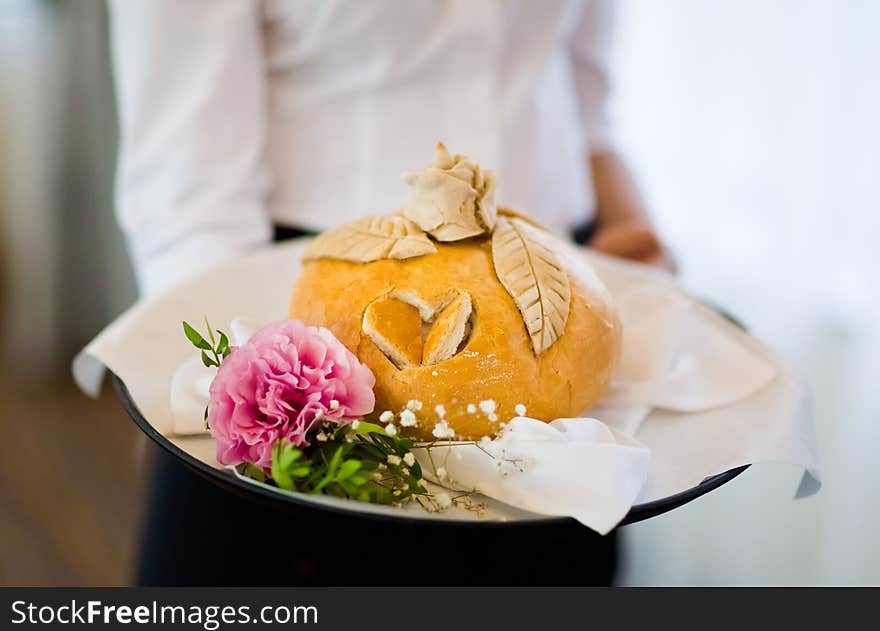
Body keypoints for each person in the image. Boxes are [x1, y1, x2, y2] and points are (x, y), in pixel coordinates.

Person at [109, 0, 669, 585]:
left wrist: (631, 231)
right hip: (307, 324)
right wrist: (231, 387)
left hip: (558, 293)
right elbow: (187, 192)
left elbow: (586, 102)